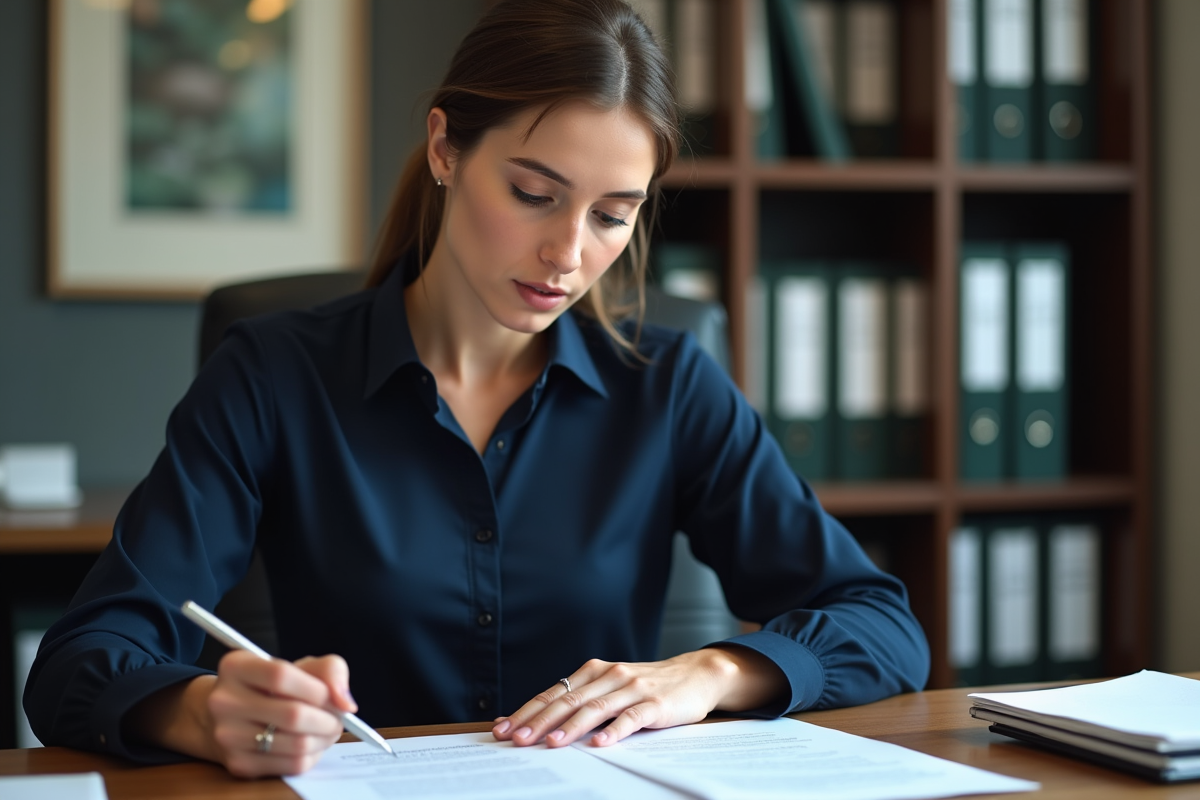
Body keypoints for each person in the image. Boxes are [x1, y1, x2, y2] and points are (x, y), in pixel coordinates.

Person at [25, 0, 929, 779]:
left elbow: (884, 628)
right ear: (446, 149)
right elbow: (79, 663)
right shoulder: (273, 375)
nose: (569, 254)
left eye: (613, 215)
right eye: (535, 193)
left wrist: (710, 674)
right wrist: (203, 712)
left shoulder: (668, 385)